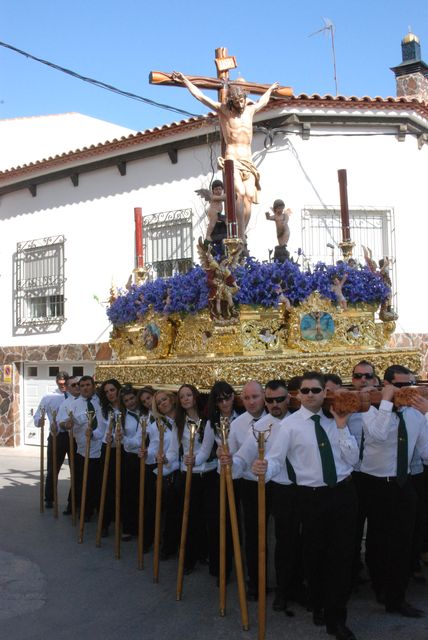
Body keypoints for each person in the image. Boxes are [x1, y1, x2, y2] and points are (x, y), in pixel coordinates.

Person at [253, 372, 359, 640]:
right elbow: (276, 459)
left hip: (343, 495)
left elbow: (353, 460)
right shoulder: (288, 427)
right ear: (297, 395)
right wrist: (264, 467)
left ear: (325, 392)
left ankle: (337, 617)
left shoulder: (338, 418)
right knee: (315, 556)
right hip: (311, 498)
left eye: (316, 390)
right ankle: (318, 603)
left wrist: (342, 426)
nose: (311, 394)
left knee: (342, 557)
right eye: (306, 390)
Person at [172, 71, 279, 241]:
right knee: (240, 193)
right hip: (232, 160)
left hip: (248, 161)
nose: (241, 104)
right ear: (231, 101)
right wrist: (186, 81)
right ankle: (239, 235)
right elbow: (201, 97)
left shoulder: (250, 111)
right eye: (237, 102)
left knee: (249, 197)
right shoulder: (224, 111)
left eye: (242, 100)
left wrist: (271, 89)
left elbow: (263, 101)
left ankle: (242, 233)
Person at [360, 365, 428, 618]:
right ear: (386, 384)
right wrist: (386, 401)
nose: (406, 391)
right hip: (375, 483)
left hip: (402, 482)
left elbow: (426, 450)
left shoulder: (415, 415)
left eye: (410, 385)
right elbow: (377, 435)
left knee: (403, 543)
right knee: (378, 542)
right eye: (400, 386)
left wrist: (427, 414)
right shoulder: (370, 408)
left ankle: (396, 598)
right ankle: (379, 587)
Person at [165, 384, 217, 575]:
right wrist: (166, 459)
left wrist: (197, 459)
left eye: (188, 395)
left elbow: (206, 447)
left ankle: (207, 554)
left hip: (209, 472)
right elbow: (172, 449)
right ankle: (189, 558)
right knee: (190, 517)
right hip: (189, 475)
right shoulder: (179, 423)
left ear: (195, 397)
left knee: (209, 517)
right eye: (181, 397)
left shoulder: (208, 421)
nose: (185, 399)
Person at [66, 375, 103, 520]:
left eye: (88, 385)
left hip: (101, 446)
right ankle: (79, 508)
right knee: (82, 480)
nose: (85, 388)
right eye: (82, 386)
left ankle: (95, 509)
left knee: (97, 481)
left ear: (93, 386)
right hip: (83, 449)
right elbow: (64, 423)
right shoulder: (73, 405)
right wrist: (66, 424)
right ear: (79, 388)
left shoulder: (100, 402)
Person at [33, 371, 69, 509]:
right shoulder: (49, 397)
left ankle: (75, 501)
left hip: (73, 437)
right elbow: (38, 414)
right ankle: (49, 498)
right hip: (56, 436)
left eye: (65, 383)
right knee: (53, 469)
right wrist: (39, 421)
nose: (63, 386)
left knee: (77, 470)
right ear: (56, 382)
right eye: (60, 384)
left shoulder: (74, 396)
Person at [91, 379, 122, 536]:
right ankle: (104, 523)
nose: (110, 393)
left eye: (112, 390)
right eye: (107, 391)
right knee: (106, 487)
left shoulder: (127, 408)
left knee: (123, 487)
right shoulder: (104, 410)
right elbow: (100, 431)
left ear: (118, 390)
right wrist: (91, 433)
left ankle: (124, 522)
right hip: (108, 449)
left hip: (124, 450)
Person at [56, 375, 81, 515]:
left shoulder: (94, 399)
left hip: (95, 443)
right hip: (73, 441)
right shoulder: (66, 404)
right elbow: (60, 422)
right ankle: (73, 504)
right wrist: (66, 424)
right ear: (68, 388)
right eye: (73, 385)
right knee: (76, 473)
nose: (77, 387)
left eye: (79, 384)